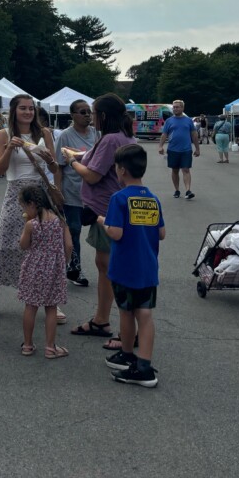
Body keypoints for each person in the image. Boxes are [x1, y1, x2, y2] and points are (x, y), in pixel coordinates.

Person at [0, 94, 62, 319]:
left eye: (31, 108)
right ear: (13, 111)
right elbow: (0, 169)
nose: (28, 112)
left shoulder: (44, 133)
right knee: (7, 243)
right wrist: (8, 148)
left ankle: (49, 299)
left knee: (43, 247)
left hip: (40, 192)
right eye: (23, 108)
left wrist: (49, 159)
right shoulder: (5, 134)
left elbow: (54, 169)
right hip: (16, 192)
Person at [65, 93, 137, 352]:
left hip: (106, 210)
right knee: (105, 266)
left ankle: (126, 329)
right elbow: (94, 157)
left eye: (93, 113)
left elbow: (93, 175)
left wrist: (71, 161)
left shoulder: (109, 139)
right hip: (113, 208)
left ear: (103, 116)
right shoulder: (122, 136)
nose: (91, 118)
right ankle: (101, 320)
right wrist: (79, 154)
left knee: (112, 269)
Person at [99, 143, 164, 387]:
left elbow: (115, 233)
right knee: (145, 314)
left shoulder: (119, 198)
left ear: (122, 170)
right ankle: (144, 363)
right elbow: (162, 233)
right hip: (148, 267)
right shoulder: (152, 198)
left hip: (124, 267)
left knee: (127, 312)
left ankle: (128, 356)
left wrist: (102, 222)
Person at [17, 185, 72, 359]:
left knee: (30, 306)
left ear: (32, 204)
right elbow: (69, 245)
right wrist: (64, 261)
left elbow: (23, 245)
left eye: (24, 206)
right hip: (54, 268)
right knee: (51, 308)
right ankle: (50, 347)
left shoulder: (31, 225)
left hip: (34, 267)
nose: (25, 210)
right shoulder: (60, 220)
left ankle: (27, 345)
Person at [54, 99, 97, 287]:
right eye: (82, 112)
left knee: (104, 230)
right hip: (72, 192)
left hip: (94, 193)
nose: (87, 115)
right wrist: (57, 192)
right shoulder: (65, 136)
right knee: (74, 231)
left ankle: (107, 266)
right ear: (72, 115)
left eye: (89, 111)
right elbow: (58, 167)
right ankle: (75, 268)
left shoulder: (96, 133)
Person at [157, 99, 200, 199]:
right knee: (175, 170)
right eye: (174, 107)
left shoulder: (188, 120)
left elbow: (194, 135)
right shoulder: (169, 121)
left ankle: (188, 190)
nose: (175, 109)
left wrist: (197, 149)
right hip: (173, 150)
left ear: (182, 108)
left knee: (186, 169)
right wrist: (160, 146)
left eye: (177, 107)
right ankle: (177, 190)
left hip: (186, 149)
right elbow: (164, 134)